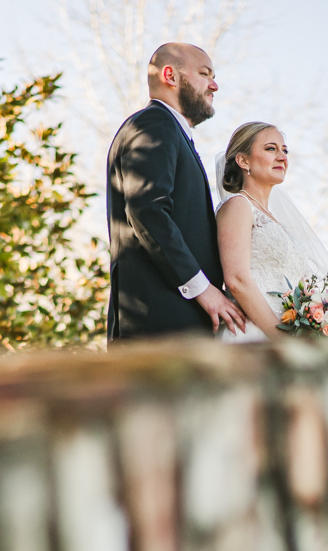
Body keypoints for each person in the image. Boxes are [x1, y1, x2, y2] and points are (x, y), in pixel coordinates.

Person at [215, 123, 328, 346]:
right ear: (243, 160)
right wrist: (281, 339)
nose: (282, 157)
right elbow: (237, 279)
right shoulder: (238, 205)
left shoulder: (277, 221)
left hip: (286, 338)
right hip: (254, 334)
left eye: (285, 151)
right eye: (271, 149)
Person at [106, 43, 245, 340]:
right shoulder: (154, 124)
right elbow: (148, 211)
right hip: (157, 325)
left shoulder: (171, 131)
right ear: (170, 75)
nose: (214, 85)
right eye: (204, 73)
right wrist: (202, 289)